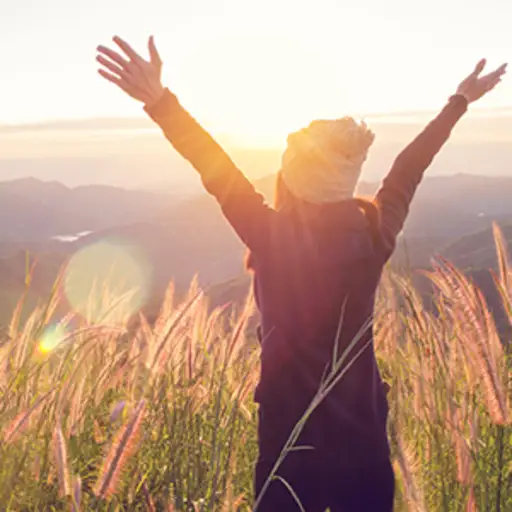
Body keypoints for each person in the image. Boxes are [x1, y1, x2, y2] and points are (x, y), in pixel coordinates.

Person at [96, 37, 506, 512]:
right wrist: (459, 102)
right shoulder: (375, 236)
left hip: (287, 444)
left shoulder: (269, 236)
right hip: (362, 440)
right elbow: (408, 169)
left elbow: (216, 169)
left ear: (291, 178)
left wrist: (161, 103)